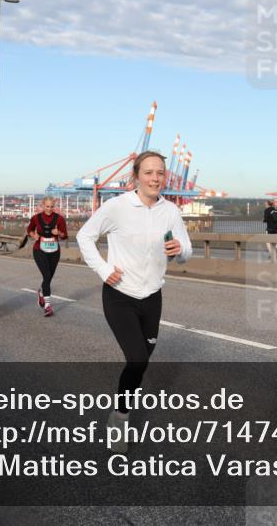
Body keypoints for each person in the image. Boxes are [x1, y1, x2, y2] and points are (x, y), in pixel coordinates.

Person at [77, 151, 192, 453]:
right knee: (137, 359)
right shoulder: (116, 207)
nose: (156, 178)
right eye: (149, 173)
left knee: (141, 363)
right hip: (120, 295)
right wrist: (103, 269)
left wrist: (180, 249)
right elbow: (84, 236)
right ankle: (120, 418)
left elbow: (186, 251)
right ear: (136, 177)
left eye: (160, 173)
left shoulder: (171, 211)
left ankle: (120, 408)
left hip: (152, 296)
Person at [26, 196, 68, 317]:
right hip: (39, 250)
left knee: (48, 278)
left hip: (54, 251)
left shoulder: (59, 219)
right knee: (47, 275)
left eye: (51, 206)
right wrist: (34, 235)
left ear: (54, 206)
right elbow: (29, 230)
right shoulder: (36, 218)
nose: (49, 209)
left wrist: (58, 233)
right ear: (43, 205)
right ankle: (48, 305)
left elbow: (65, 236)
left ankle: (41, 293)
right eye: (47, 206)